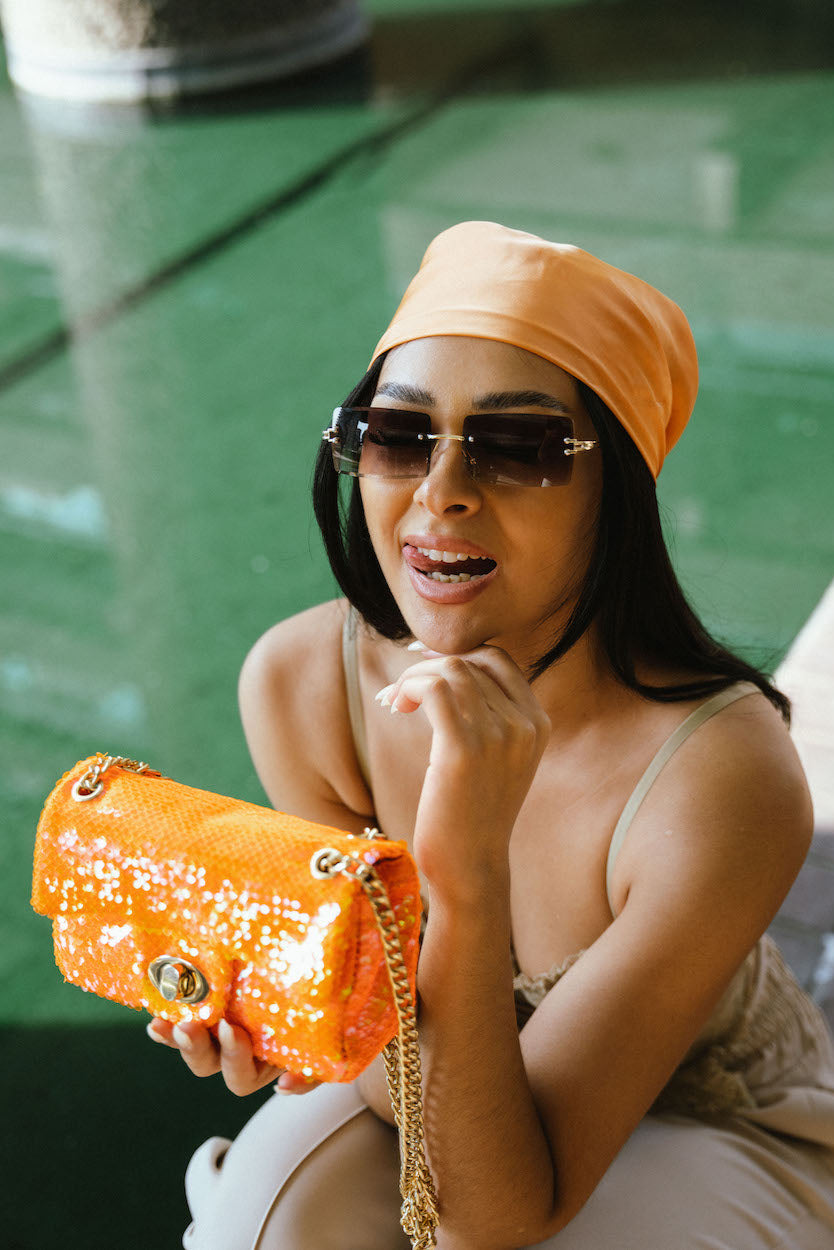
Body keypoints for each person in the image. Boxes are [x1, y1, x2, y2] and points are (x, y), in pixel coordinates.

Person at [148, 222, 834, 1249]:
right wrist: (300, 1016)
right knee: (257, 1222)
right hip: (444, 1085)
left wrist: (461, 862)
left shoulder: (721, 776)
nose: (441, 491)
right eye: (398, 434)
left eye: (520, 447)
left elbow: (494, 1212)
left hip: (715, 1121)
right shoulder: (303, 685)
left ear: (621, 496)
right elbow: (404, 1075)